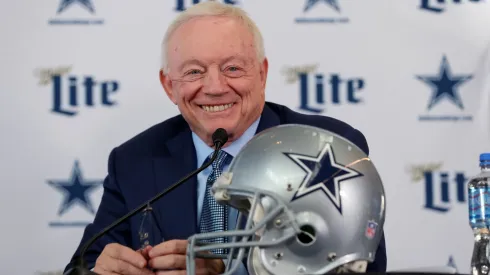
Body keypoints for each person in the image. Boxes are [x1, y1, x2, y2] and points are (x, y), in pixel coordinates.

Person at [64, 2, 387, 274]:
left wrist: (229, 270)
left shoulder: (325, 144)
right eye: (193, 72)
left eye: (233, 68)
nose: (215, 87)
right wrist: (100, 270)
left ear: (262, 73)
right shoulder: (134, 159)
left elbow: (359, 266)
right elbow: (82, 263)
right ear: (168, 86)